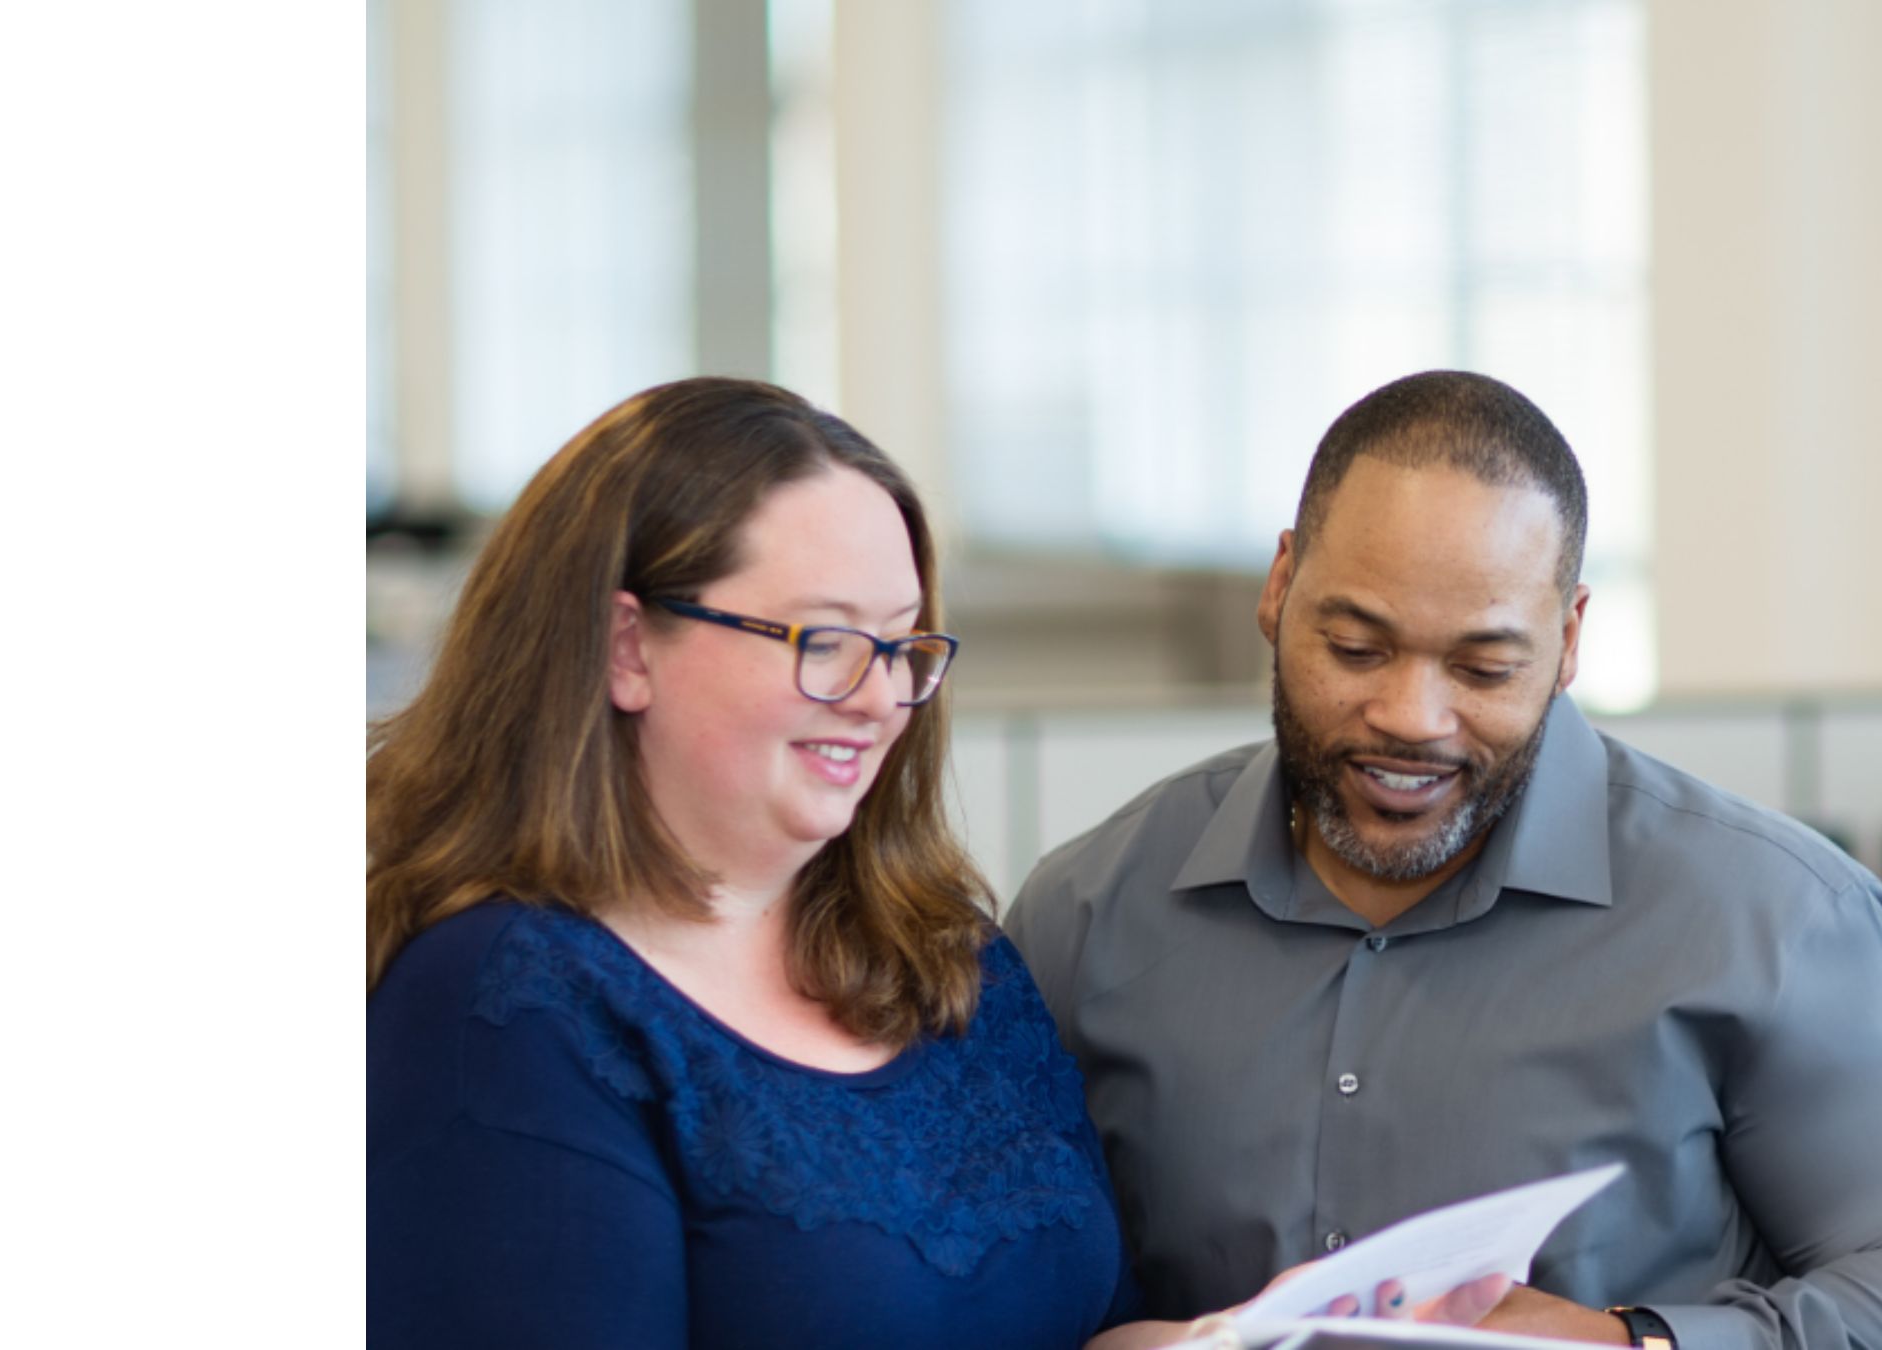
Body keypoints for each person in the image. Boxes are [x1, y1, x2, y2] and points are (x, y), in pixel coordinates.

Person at [367, 378, 1499, 1348]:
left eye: (903, 645)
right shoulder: (502, 1006)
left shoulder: (940, 955)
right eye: (823, 642)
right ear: (626, 648)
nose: (877, 698)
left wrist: (1247, 1333)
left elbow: (1079, 1316)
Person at [1005, 370, 1882, 1350]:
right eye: (1354, 648)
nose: (1409, 719)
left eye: (1482, 670)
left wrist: (1631, 1344)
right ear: (1277, 587)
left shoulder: (1780, 922)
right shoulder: (1083, 917)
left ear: (1569, 638)